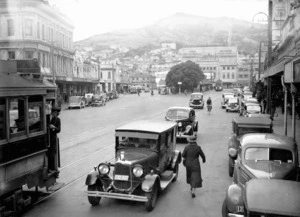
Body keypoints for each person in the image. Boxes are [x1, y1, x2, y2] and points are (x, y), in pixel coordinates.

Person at [48, 107, 61, 171]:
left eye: (54, 113)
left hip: (53, 138)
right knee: (49, 153)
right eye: (52, 113)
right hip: (49, 138)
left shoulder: (58, 120)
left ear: (56, 113)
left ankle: (52, 168)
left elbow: (59, 130)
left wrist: (54, 127)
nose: (53, 114)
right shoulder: (51, 118)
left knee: (52, 153)